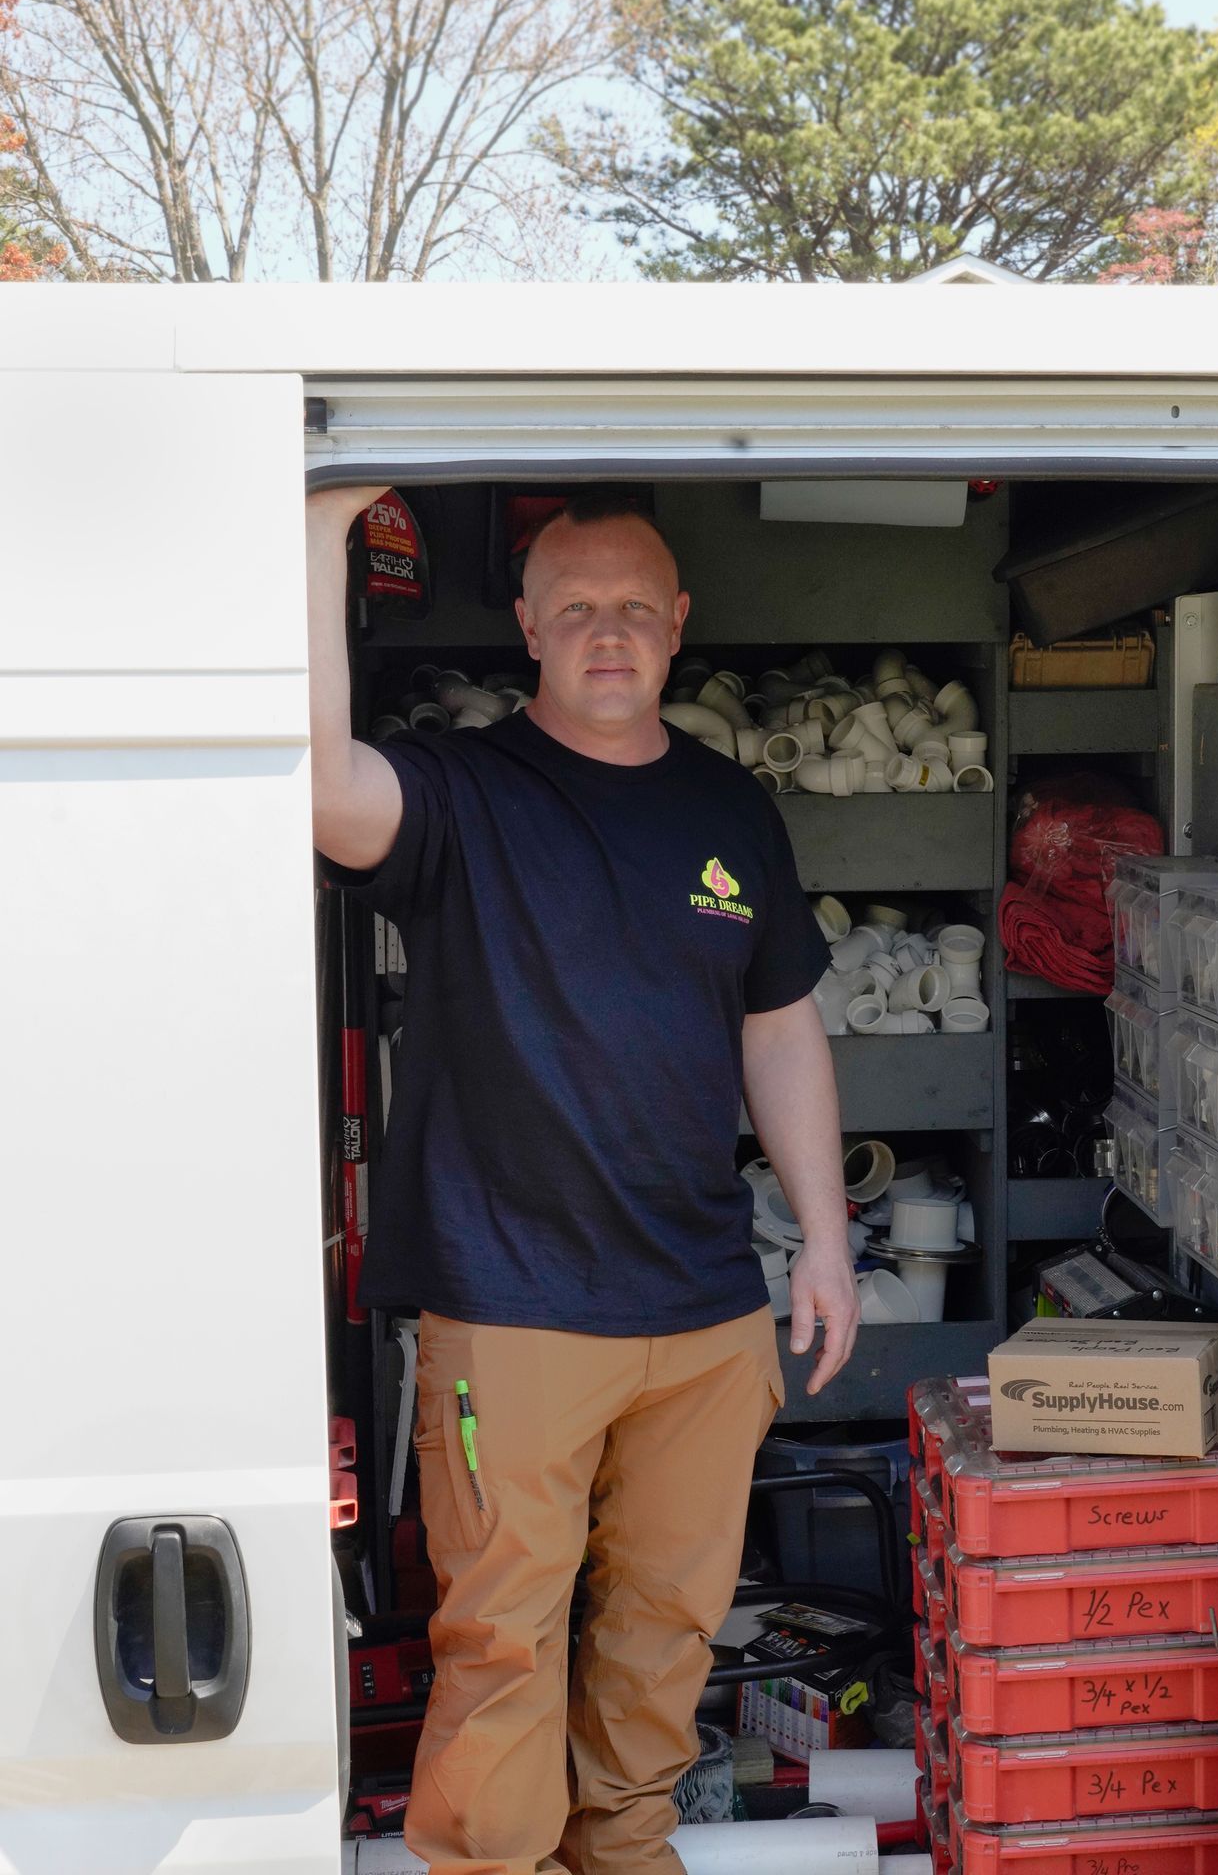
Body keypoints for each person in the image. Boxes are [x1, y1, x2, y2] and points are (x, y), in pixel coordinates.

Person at [306, 484, 859, 1874]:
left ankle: (625, 1850)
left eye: (630, 609)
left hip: (702, 1303)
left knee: (668, 1623)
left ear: (675, 628)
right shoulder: (461, 795)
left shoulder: (730, 808)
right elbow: (319, 786)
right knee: (503, 1634)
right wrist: (318, 535)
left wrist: (827, 1239)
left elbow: (779, 1025)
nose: (604, 633)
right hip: (515, 1305)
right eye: (574, 611)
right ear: (529, 631)